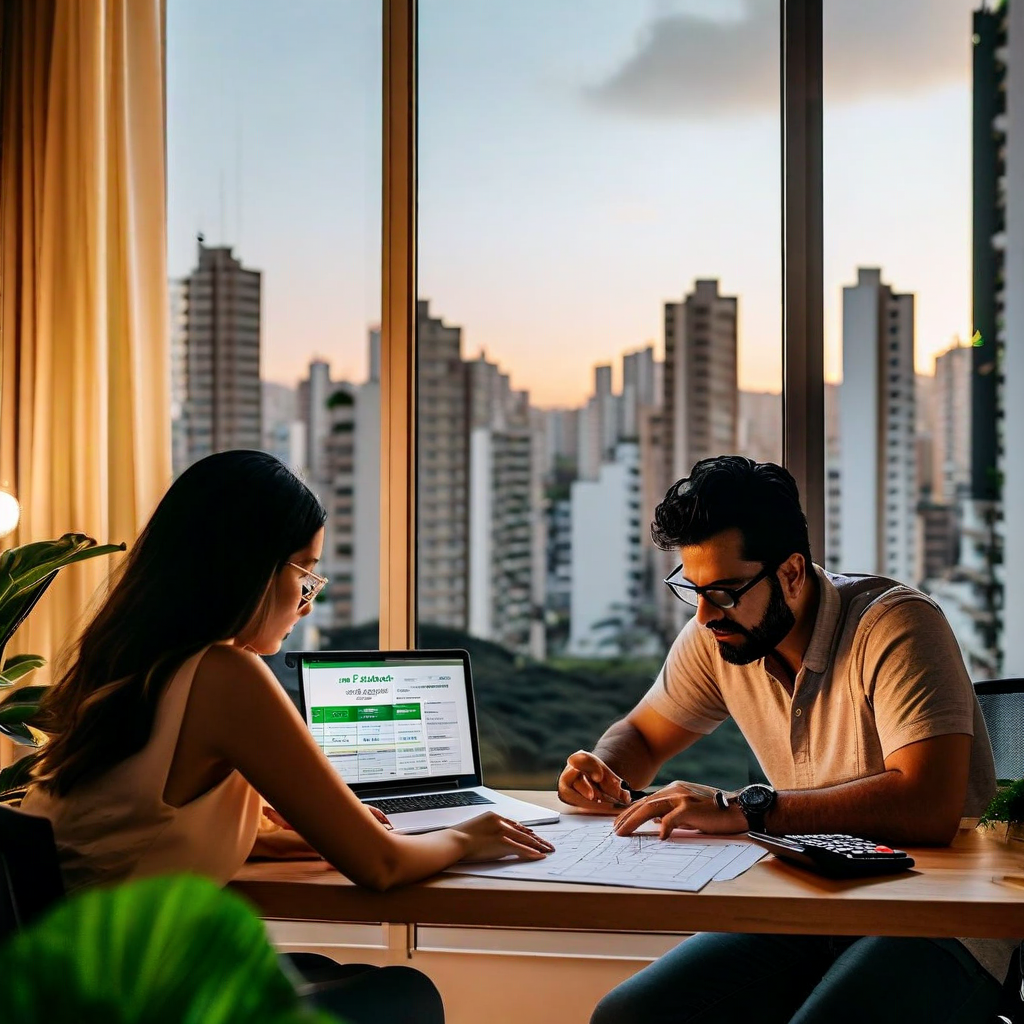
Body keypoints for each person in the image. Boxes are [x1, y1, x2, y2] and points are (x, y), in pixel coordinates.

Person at [22, 449, 553, 1024]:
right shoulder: (225, 674)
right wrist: (467, 836)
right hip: (132, 996)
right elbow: (380, 865)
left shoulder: (121, 661)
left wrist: (271, 839)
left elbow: (132, 831)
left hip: (68, 979)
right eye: (304, 572)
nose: (306, 602)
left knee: (342, 976)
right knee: (403, 992)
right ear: (245, 567)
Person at [557, 455, 1012, 1024]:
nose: (703, 614)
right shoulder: (720, 634)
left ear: (793, 573)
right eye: (690, 589)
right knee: (628, 1015)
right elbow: (641, 735)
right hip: (815, 899)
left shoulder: (897, 625)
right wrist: (603, 770)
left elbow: (930, 806)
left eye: (723, 591)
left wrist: (745, 809)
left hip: (941, 915)